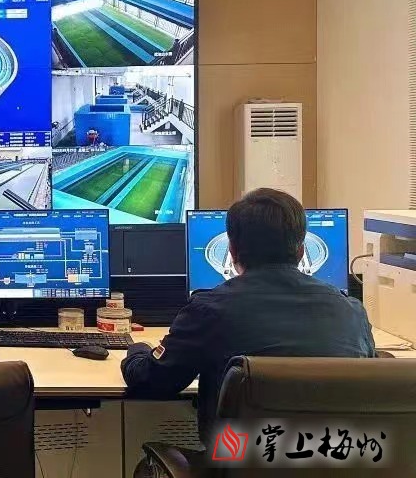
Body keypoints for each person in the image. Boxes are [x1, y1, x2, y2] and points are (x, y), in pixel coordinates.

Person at [122, 188, 375, 446]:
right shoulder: (352, 312)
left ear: (232, 251)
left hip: (240, 457)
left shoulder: (209, 310)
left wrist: (137, 350)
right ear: (301, 251)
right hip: (337, 457)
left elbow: (152, 381)